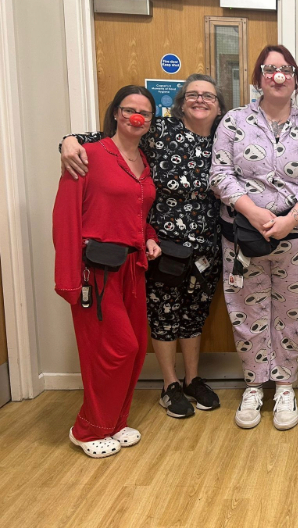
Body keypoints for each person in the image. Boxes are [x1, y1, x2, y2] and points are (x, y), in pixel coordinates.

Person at [60, 75, 228, 419]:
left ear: (220, 107)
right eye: (193, 94)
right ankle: (169, 385)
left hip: (209, 244)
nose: (200, 100)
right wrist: (68, 139)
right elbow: (105, 140)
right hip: (161, 244)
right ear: (180, 103)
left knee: (195, 315)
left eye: (208, 96)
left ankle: (192, 378)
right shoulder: (160, 131)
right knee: (165, 314)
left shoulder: (225, 138)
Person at [211, 44, 298, 431]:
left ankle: (284, 386)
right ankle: (253, 384)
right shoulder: (233, 121)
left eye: (285, 69)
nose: (277, 76)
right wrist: (254, 211)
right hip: (242, 235)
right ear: (257, 77)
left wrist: (289, 220)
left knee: (292, 313)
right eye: (269, 68)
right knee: (245, 310)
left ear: (296, 78)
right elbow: (220, 174)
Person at [53, 85, 162, 458]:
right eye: (130, 109)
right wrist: (68, 279)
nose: (137, 117)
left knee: (134, 351)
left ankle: (114, 422)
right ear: (116, 113)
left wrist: (148, 236)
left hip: (132, 268)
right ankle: (87, 429)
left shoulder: (143, 163)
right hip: (94, 272)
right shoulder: (89, 155)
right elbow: (65, 217)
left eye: (144, 113)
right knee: (115, 349)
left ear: (150, 121)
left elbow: (137, 213)